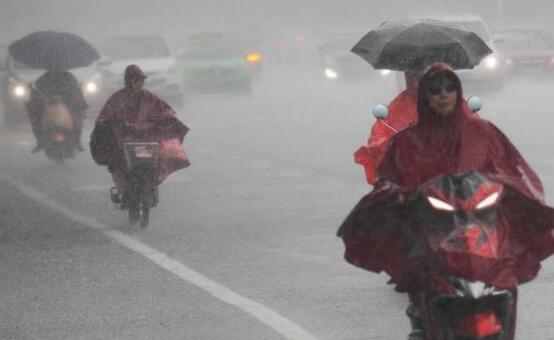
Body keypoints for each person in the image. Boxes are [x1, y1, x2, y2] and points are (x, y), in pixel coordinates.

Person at [338, 64, 554, 339]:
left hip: (480, 223)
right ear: (424, 97)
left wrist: (503, 189)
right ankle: (423, 318)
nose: (443, 95)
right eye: (435, 90)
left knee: (503, 271)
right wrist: (401, 195)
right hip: (431, 226)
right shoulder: (407, 141)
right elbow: (388, 180)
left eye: (449, 88)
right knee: (420, 269)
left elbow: (509, 169)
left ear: (458, 92)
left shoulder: (483, 133)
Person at [355, 70, 478, 185]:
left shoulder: (454, 103)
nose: (417, 83)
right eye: (412, 76)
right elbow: (379, 142)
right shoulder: (398, 108)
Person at [90, 64, 189, 202]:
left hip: (148, 140)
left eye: (141, 81)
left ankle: (150, 185)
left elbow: (164, 110)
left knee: (159, 157)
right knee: (118, 161)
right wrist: (105, 122)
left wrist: (167, 118)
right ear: (128, 81)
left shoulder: (149, 97)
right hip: (124, 142)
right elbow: (107, 114)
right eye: (136, 81)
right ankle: (124, 188)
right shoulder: (118, 98)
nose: (139, 84)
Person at [26, 70, 87, 152]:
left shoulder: (47, 77)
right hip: (49, 107)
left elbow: (77, 94)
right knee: (37, 121)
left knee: (77, 119)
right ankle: (40, 142)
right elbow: (37, 92)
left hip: (66, 107)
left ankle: (77, 142)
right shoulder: (67, 76)